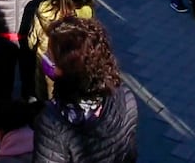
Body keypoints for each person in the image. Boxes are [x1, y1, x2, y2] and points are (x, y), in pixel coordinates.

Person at [33, 17, 138, 162]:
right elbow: (130, 152)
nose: (45, 57)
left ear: (67, 70)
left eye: (50, 56)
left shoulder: (52, 126)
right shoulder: (126, 98)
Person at [28, 0, 94, 101]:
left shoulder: (43, 10)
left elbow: (32, 40)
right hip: (74, 67)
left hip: (47, 65)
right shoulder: (85, 13)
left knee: (48, 98)